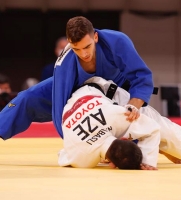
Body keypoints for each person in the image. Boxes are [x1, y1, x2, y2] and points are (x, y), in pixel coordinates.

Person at [0, 16, 154, 140]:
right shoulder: (64, 63)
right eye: (76, 49)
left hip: (116, 89)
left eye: (87, 47)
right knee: (27, 97)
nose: (83, 54)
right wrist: (76, 145)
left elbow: (142, 76)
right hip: (77, 90)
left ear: (95, 37)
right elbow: (60, 109)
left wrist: (133, 104)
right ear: (69, 43)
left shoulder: (117, 42)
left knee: (145, 129)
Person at [59, 77, 181, 170]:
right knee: (150, 126)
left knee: (153, 120)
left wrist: (148, 161)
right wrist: (149, 159)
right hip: (78, 99)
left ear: (112, 165)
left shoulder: (118, 116)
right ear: (112, 164)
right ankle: (159, 147)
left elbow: (154, 127)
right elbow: (63, 155)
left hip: (99, 90)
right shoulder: (81, 159)